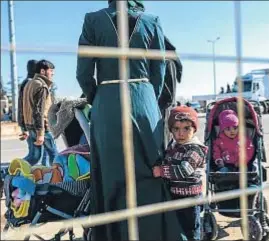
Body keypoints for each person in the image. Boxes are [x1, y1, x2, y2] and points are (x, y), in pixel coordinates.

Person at [76, 1, 183, 240]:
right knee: (149, 168)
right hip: (144, 98)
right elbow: (160, 70)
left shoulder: (92, 19)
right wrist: (146, 98)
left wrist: (99, 97)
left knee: (111, 170)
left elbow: (83, 72)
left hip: (108, 101)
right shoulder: (151, 21)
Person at [152, 106, 207, 241]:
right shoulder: (173, 146)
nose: (181, 133)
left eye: (186, 128)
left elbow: (185, 170)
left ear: (194, 129)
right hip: (175, 197)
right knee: (178, 229)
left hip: (190, 200)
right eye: (176, 129)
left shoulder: (195, 149)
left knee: (191, 231)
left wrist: (161, 171)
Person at [22, 59, 58, 166]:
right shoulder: (41, 86)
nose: (53, 73)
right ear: (42, 71)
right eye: (51, 71)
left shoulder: (29, 84)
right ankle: (59, 179)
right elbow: (39, 111)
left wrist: (24, 127)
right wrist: (41, 133)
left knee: (34, 157)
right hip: (42, 128)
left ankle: (9, 171)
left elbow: (24, 108)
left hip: (30, 126)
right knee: (54, 154)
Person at [18, 60, 48, 166]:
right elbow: (29, 107)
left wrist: (23, 126)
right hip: (34, 123)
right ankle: (9, 171)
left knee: (38, 154)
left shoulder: (26, 82)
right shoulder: (33, 83)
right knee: (37, 155)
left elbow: (21, 107)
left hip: (28, 123)